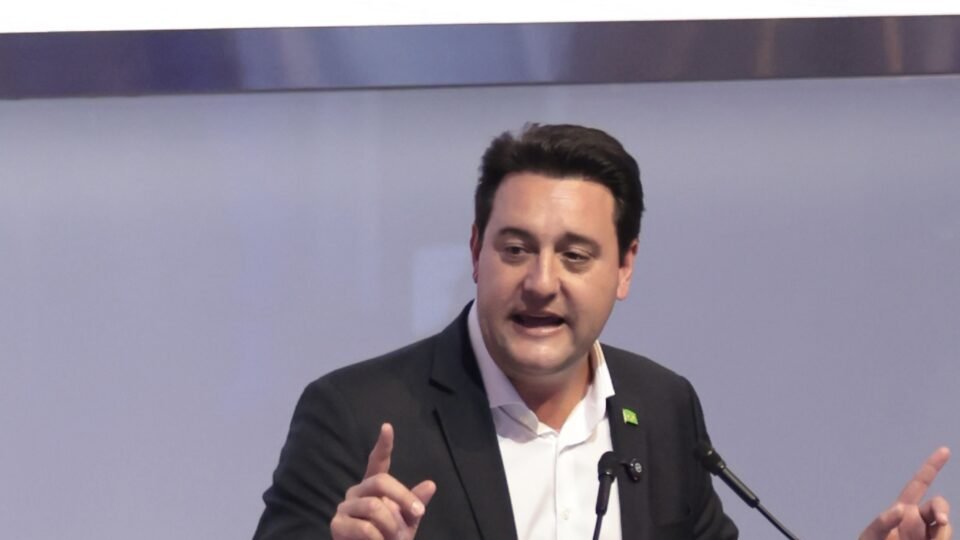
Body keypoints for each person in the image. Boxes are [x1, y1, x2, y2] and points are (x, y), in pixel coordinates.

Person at [253, 124, 951, 540]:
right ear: (474, 251)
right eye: (515, 249)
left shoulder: (662, 406)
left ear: (625, 267)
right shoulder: (354, 415)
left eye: (576, 255)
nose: (541, 282)